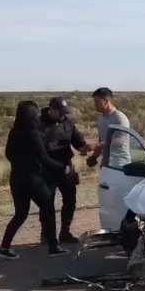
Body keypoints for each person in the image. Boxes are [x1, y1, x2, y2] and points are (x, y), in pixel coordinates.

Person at [0, 101, 69, 259]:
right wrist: (61, 167)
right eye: (35, 112)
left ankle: (4, 247)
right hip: (33, 179)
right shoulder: (33, 133)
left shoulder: (13, 132)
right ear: (31, 114)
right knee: (48, 209)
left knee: (20, 214)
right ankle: (53, 247)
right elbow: (43, 157)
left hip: (16, 179)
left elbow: (8, 155)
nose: (38, 115)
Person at [39, 96, 90, 244]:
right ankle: (47, 234)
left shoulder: (68, 122)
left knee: (70, 201)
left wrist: (87, 148)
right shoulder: (39, 124)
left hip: (66, 168)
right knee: (46, 203)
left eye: (64, 111)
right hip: (46, 169)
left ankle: (65, 233)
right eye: (59, 111)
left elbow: (79, 143)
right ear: (51, 110)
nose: (62, 114)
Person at [88, 87, 131, 169]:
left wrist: (98, 145)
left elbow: (122, 140)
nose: (95, 104)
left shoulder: (119, 118)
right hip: (106, 165)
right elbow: (102, 142)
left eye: (96, 101)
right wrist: (94, 157)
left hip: (120, 166)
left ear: (106, 101)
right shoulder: (101, 119)